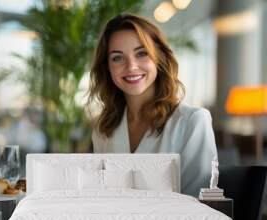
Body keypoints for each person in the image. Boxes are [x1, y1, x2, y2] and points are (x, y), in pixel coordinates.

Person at [87, 13, 217, 197]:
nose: (131, 66)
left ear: (159, 58)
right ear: (107, 67)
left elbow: (198, 203)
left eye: (142, 54)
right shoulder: (103, 129)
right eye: (117, 58)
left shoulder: (193, 122)